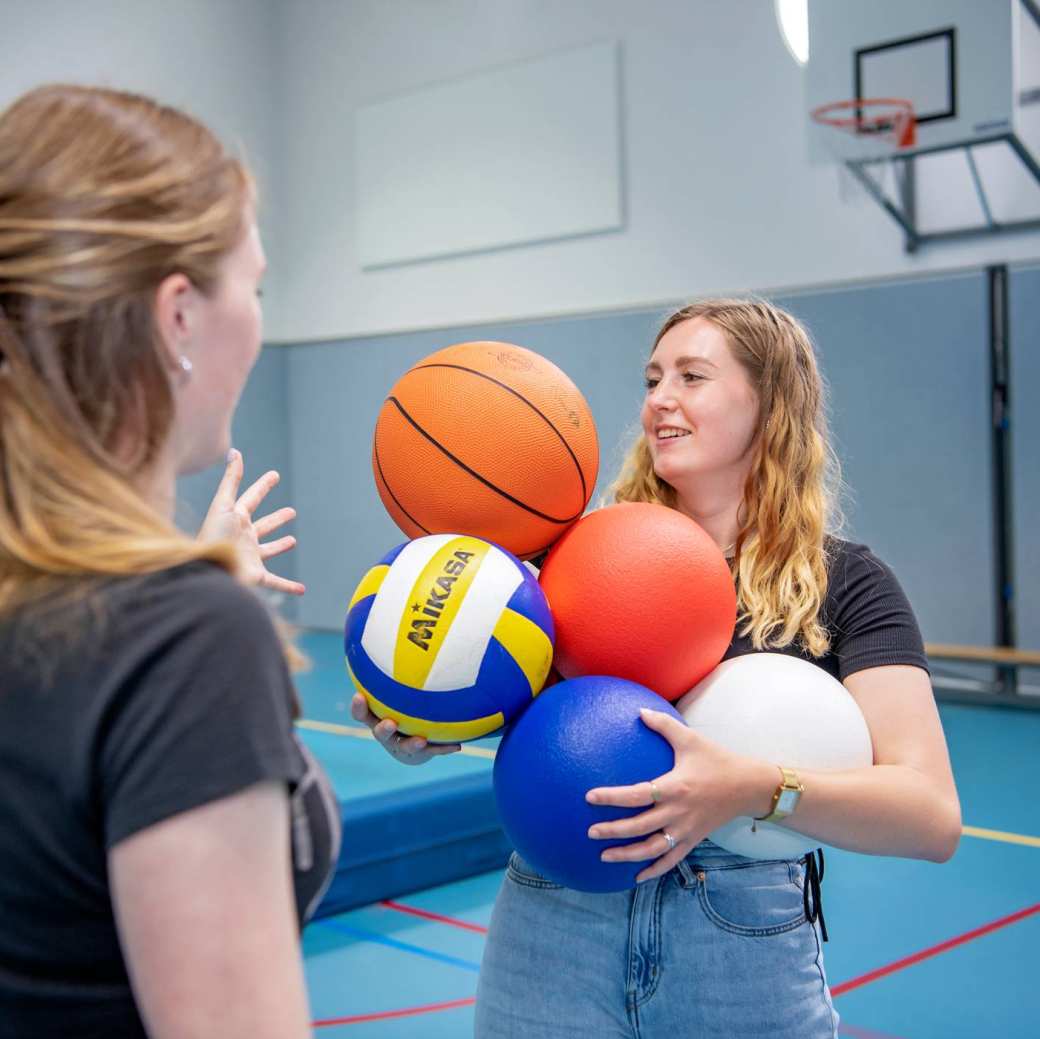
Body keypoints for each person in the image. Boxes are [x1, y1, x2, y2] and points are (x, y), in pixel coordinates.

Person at [353, 297, 962, 1037]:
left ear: (770, 404)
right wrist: (429, 722)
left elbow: (930, 815)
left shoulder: (847, 583)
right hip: (555, 918)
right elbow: (516, 718)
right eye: (652, 379)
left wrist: (752, 786)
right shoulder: (558, 570)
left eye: (692, 376)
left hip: (738, 937)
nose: (659, 400)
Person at [0, 85, 338, 1038]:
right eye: (256, 285)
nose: (260, 323)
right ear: (178, 315)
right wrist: (189, 619)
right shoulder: (182, 639)